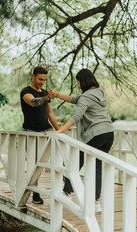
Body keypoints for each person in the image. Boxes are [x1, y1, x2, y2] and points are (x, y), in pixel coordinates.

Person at [46, 68, 114, 212]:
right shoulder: (99, 93)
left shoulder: (86, 97)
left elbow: (76, 117)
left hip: (96, 133)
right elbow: (74, 99)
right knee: (97, 167)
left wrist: (58, 130)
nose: (77, 85)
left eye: (78, 82)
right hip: (108, 133)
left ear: (81, 81)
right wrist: (57, 95)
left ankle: (67, 192)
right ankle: (96, 202)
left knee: (75, 159)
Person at [20, 66, 59, 204]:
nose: (42, 82)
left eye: (44, 80)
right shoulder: (26, 91)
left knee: (44, 162)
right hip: (31, 132)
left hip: (46, 131)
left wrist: (59, 130)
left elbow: (50, 113)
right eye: (40, 79)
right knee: (33, 163)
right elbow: (33, 102)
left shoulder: (43, 92)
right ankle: (35, 193)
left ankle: (63, 190)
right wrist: (48, 97)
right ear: (34, 76)